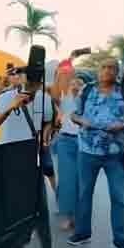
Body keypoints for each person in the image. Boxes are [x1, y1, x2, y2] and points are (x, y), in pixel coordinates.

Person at [0, 66, 68, 248]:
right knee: (11, 209)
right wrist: (12, 107)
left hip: (32, 159)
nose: (33, 85)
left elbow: (48, 124)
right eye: (30, 80)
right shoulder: (6, 97)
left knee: (41, 209)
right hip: (8, 159)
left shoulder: (44, 99)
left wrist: (45, 136)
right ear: (23, 79)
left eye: (37, 81)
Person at [69, 58, 124, 248]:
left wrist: (122, 125)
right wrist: (82, 120)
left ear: (117, 72)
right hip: (88, 151)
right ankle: (82, 233)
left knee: (119, 197)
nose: (107, 71)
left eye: (111, 68)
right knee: (84, 193)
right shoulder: (87, 90)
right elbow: (73, 114)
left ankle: (120, 242)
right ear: (98, 70)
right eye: (103, 67)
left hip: (117, 153)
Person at [53, 63, 83, 232]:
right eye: (70, 81)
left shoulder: (85, 96)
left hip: (82, 142)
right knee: (66, 180)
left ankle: (76, 215)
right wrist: (60, 73)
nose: (74, 85)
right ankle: (66, 214)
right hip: (65, 141)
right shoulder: (61, 95)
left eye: (78, 83)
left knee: (79, 180)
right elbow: (55, 93)